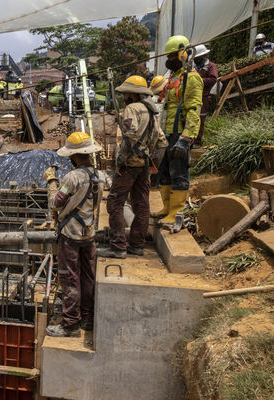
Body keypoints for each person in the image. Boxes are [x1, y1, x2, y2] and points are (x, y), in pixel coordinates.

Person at [98, 76, 168, 259]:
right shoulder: (152, 111)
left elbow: (130, 135)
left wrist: (120, 161)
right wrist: (152, 162)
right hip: (144, 165)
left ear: (132, 93)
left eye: (126, 92)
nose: (124, 96)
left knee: (115, 202)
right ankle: (137, 245)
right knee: (142, 204)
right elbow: (162, 141)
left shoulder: (131, 109)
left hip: (130, 164)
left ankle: (118, 247)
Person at [42, 132, 102, 337]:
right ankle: (87, 318)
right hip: (89, 234)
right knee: (87, 277)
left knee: (70, 279)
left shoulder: (72, 178)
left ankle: (70, 324)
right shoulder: (98, 176)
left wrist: (51, 182)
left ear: (74, 156)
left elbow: (55, 203)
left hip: (71, 235)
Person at [152, 35, 203, 226]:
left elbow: (194, 109)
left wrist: (186, 138)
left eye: (173, 56)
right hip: (166, 133)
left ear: (183, 54)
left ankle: (176, 211)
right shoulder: (174, 77)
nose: (169, 60)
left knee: (178, 171)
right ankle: (166, 207)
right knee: (164, 170)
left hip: (180, 133)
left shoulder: (192, 78)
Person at [193, 44, 218, 146]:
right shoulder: (194, 67)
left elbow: (213, 79)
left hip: (203, 97)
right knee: (191, 118)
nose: (195, 59)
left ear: (203, 56)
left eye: (197, 57)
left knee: (200, 119)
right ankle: (190, 140)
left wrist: (198, 81)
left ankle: (197, 142)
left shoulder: (210, 66)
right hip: (193, 96)